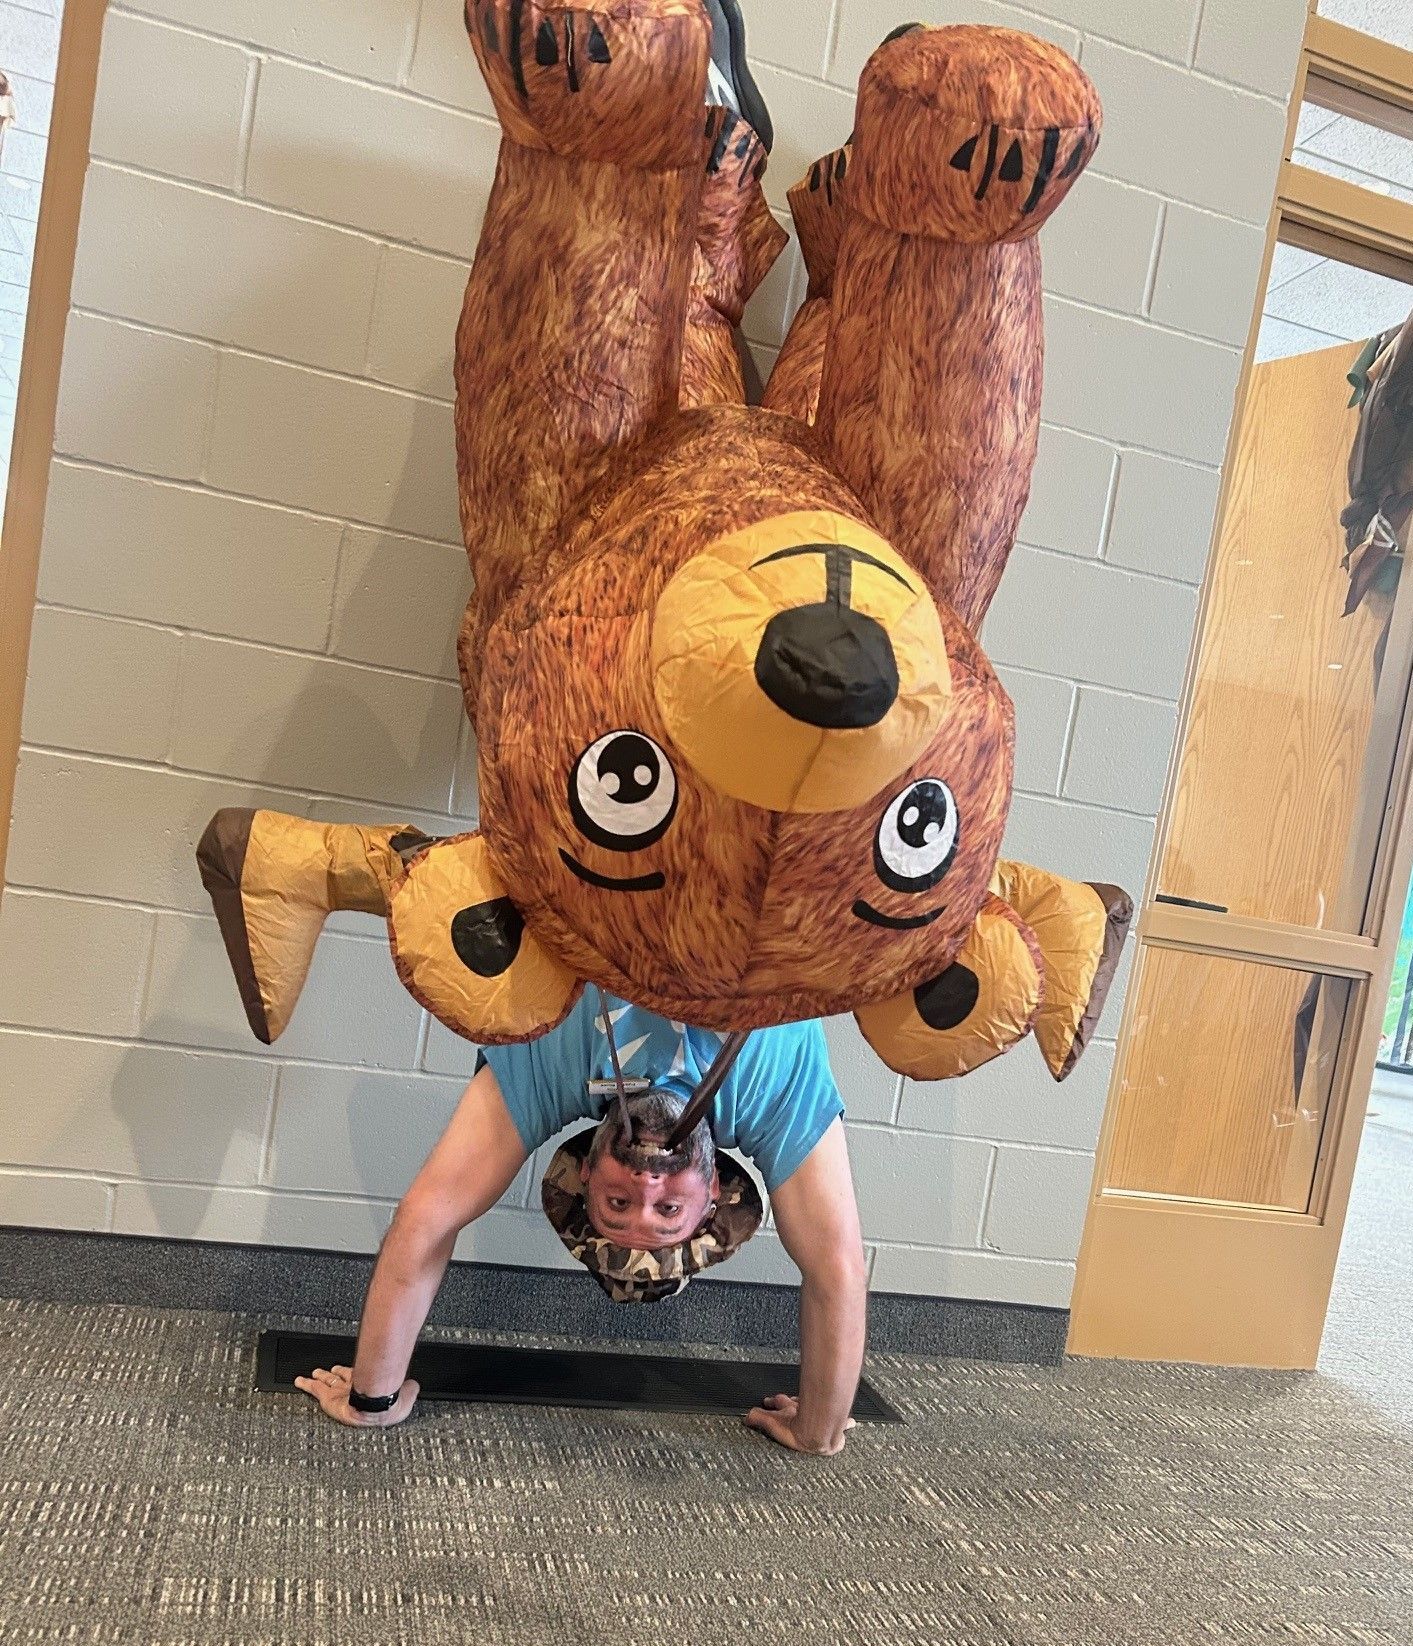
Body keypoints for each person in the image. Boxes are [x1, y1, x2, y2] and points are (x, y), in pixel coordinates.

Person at [295, 993, 867, 1456]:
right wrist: (817, 1431)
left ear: (588, 1168)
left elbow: (424, 1219)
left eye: (616, 1202)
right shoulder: (776, 1097)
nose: (646, 1188)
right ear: (713, 1190)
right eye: (669, 1211)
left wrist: (373, 1399)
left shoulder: (550, 1063)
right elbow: (835, 1266)